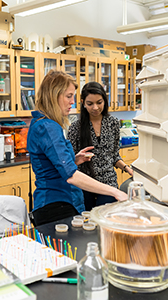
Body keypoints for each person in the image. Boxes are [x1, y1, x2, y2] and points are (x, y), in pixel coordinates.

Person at [27, 71, 128, 226]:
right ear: (54, 95)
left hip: (61, 203)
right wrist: (115, 191)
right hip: (55, 204)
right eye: (69, 96)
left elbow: (53, 165)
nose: (72, 102)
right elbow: (71, 175)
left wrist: (74, 160)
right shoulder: (48, 127)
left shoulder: (43, 123)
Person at [68, 81, 133, 211]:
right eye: (90, 104)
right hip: (85, 185)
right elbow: (70, 161)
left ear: (105, 101)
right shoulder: (76, 127)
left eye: (99, 102)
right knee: (88, 224)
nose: (95, 108)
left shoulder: (113, 123)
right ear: (82, 102)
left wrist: (127, 168)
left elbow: (114, 155)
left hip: (108, 183)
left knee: (106, 221)